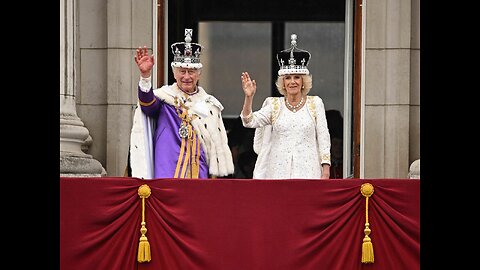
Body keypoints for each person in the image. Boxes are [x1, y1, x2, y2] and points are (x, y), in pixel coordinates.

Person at [129, 28, 234, 179]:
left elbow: (215, 147)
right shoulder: (165, 99)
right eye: (182, 71)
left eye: (191, 71)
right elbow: (148, 105)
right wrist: (145, 77)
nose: (186, 77)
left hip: (199, 173)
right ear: (174, 73)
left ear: (199, 74)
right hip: (167, 172)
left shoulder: (209, 104)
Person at [239, 34, 331, 179]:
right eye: (287, 78)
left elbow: (323, 138)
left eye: (296, 77)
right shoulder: (274, 105)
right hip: (277, 173)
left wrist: (325, 169)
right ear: (282, 82)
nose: (292, 82)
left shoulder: (315, 103)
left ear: (303, 81)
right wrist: (249, 97)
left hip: (309, 172)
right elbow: (249, 121)